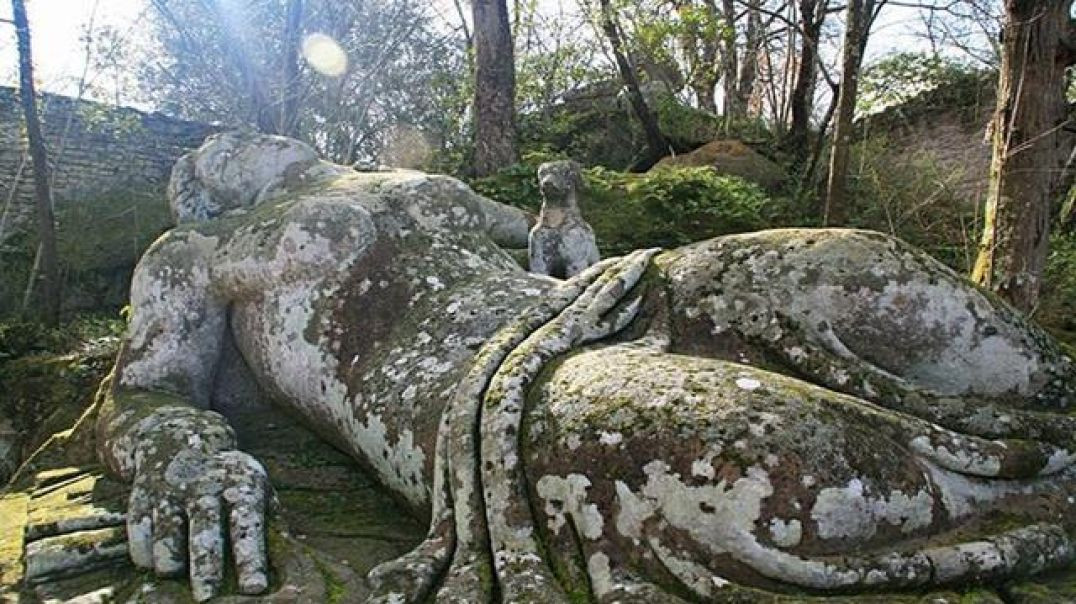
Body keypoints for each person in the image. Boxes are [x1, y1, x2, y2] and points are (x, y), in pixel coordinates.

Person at [96, 131, 1076, 602]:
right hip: (488, 379)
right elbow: (147, 387)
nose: (239, 143)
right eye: (213, 148)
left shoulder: (405, 183)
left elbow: (544, 240)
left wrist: (566, 229)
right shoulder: (201, 250)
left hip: (602, 291)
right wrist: (183, 454)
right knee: (752, 455)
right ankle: (1037, 483)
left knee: (866, 270)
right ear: (198, 188)